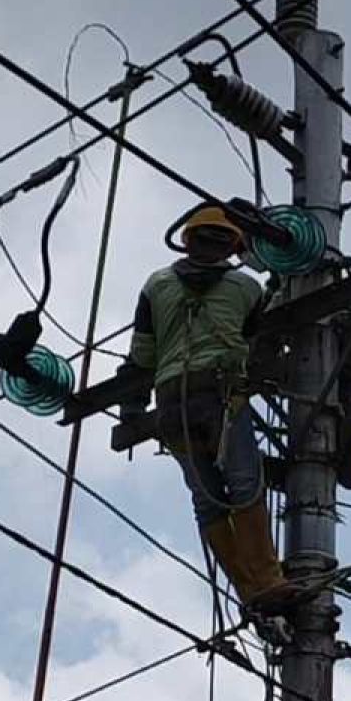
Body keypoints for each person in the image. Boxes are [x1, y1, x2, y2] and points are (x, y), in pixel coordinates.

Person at [123, 203, 302, 614]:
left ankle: (250, 590)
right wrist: (282, 282)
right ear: (232, 247)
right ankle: (267, 581)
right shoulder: (245, 288)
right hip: (220, 399)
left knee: (207, 499)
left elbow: (141, 357)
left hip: (171, 407)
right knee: (245, 485)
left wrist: (132, 413)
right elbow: (263, 340)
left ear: (189, 240)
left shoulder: (156, 285)